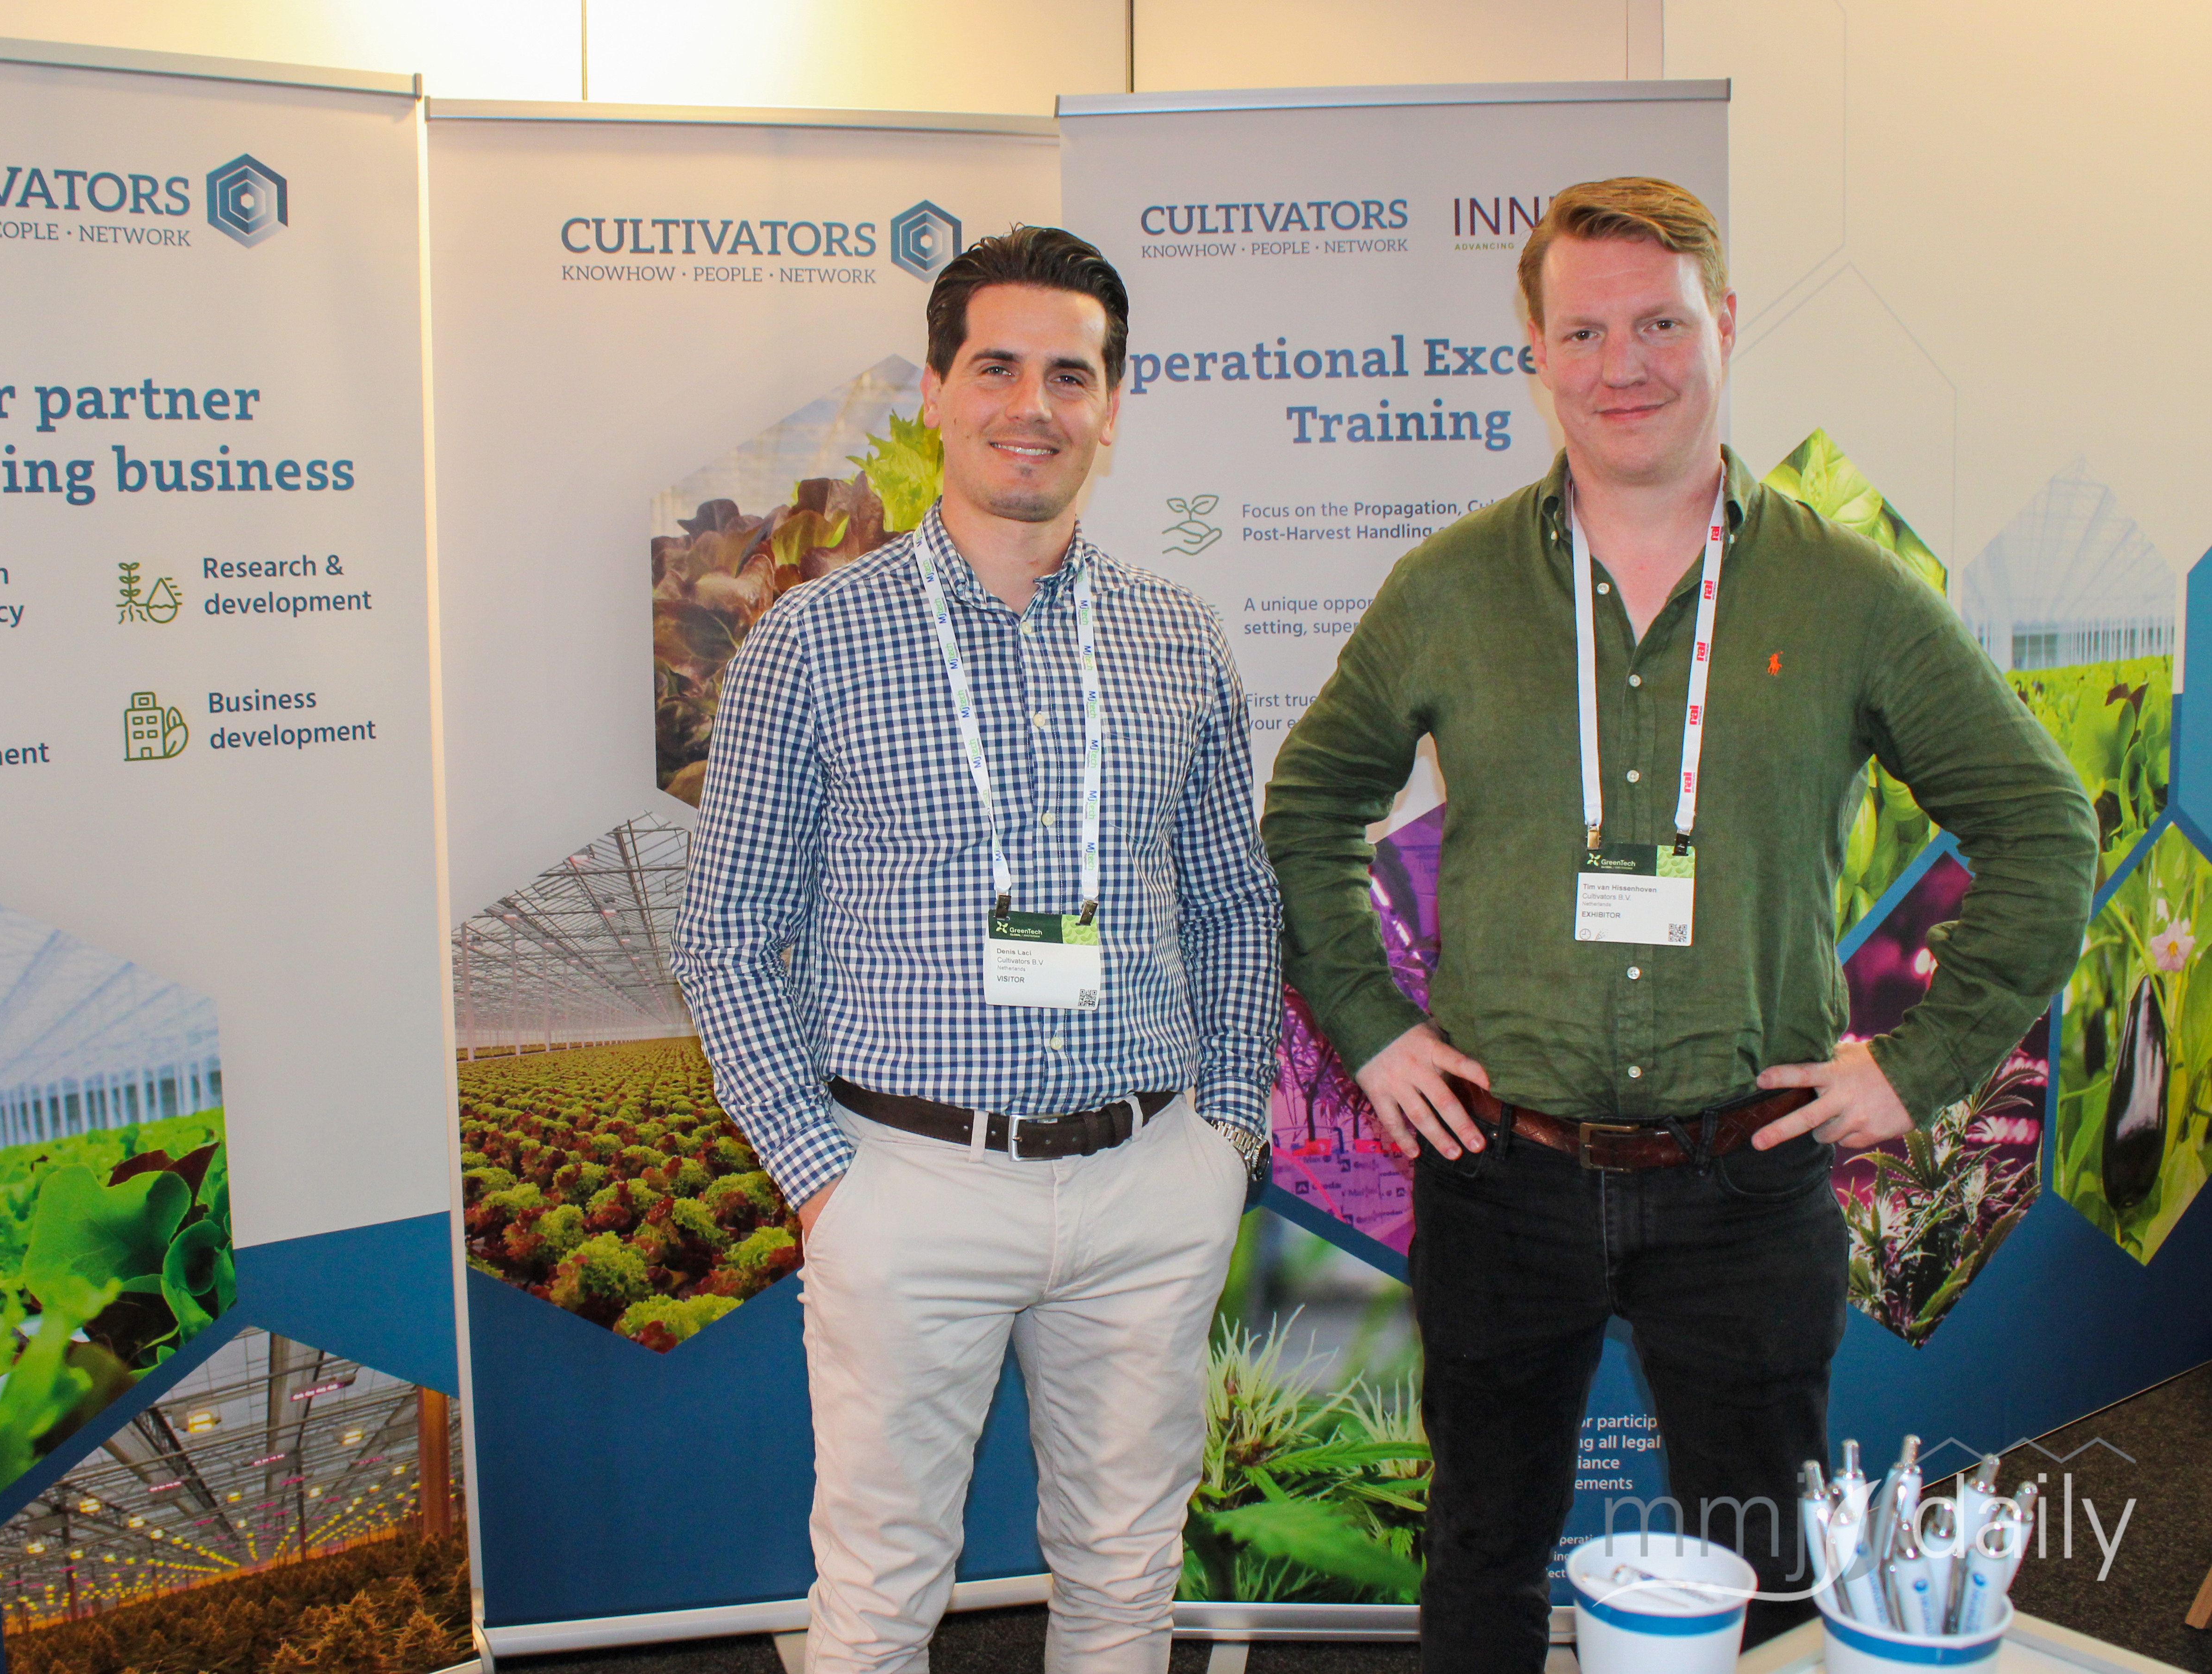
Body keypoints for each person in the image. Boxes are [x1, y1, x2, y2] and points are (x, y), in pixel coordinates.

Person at [1261, 177, 2095, 1668]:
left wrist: (1916, 1068)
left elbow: (2043, 826)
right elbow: (1311, 804)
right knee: (1480, 1551)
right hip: (1499, 1172)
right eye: (1582, 332)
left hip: (1745, 1180)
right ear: (1534, 350)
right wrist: (1371, 1028)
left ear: (1723, 324)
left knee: (1764, 1566)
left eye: (1658, 324)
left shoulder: (1846, 594)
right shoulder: (1448, 589)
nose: (1622, 366)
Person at [673, 226, 1282, 1674]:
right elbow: (727, 935)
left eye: (1070, 375)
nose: (1033, 405)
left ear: (1111, 408)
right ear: (937, 393)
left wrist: (1226, 1138)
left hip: (1146, 1178)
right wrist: (824, 1183)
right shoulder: (810, 643)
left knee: (1126, 1576)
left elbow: (1234, 906)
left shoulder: (1178, 638)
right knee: (882, 1589)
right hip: (909, 1182)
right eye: (996, 367)